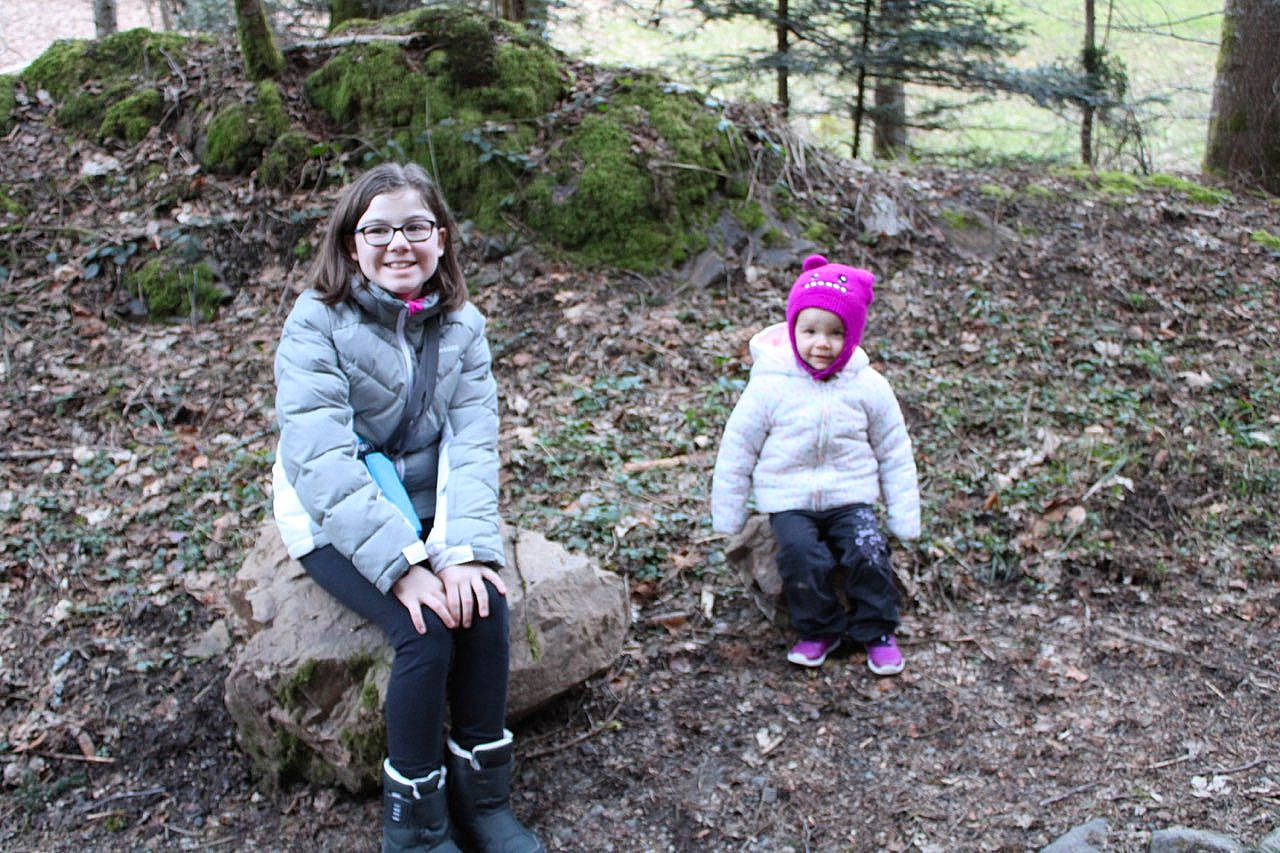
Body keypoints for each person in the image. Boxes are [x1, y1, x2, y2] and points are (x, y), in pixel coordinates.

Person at [271, 161, 544, 853]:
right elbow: (322, 461)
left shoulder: (463, 327)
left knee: (482, 603)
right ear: (351, 242)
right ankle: (416, 824)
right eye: (379, 229)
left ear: (443, 238)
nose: (400, 243)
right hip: (331, 510)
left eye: (416, 227)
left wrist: (462, 554)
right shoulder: (316, 323)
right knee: (423, 628)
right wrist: (404, 567)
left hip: (427, 498)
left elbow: (473, 445)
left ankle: (484, 799)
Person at [711, 254, 920, 674]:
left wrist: (904, 515)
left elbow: (894, 450)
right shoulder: (770, 386)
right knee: (802, 556)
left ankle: (877, 629)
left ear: (854, 335)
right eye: (809, 331)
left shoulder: (869, 386)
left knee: (867, 550)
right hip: (790, 499)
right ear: (792, 330)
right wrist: (728, 515)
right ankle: (819, 629)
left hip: (851, 495)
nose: (821, 344)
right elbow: (737, 450)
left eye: (835, 333)